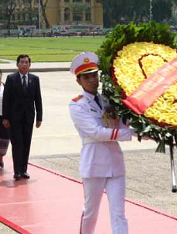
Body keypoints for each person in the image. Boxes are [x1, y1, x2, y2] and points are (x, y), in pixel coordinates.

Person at [69, 52, 135, 234]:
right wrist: (128, 133)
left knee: (119, 213)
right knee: (91, 212)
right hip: (94, 163)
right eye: (86, 77)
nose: (92, 80)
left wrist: (150, 131)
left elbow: (121, 124)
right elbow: (96, 132)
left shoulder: (108, 100)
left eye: (94, 75)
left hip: (115, 163)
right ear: (79, 81)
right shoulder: (77, 105)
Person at [2, 54, 42, 181]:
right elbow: (6, 100)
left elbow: (38, 99)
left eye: (26, 62)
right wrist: (5, 117)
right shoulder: (11, 78)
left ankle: (24, 169)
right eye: (22, 62)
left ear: (30, 64)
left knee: (26, 143)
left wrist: (39, 117)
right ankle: (17, 170)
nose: (24, 64)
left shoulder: (34, 79)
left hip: (29, 117)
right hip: (14, 118)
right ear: (17, 64)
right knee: (17, 143)